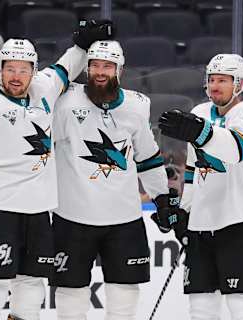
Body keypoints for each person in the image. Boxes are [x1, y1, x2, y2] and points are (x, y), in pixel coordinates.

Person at [0, 21, 114, 320]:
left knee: (32, 287)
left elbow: (65, 67)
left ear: (33, 70)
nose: (16, 76)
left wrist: (84, 44)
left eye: (23, 69)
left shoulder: (43, 90)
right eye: (9, 69)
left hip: (37, 212)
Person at [50, 40, 178, 320]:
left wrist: (162, 200)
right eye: (94, 64)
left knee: (123, 300)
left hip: (124, 219)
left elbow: (148, 157)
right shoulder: (65, 102)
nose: (100, 71)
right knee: (71, 301)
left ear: (119, 70)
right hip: (72, 217)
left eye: (107, 66)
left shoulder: (136, 106)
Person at [158, 53, 243, 320]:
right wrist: (184, 212)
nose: (215, 86)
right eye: (211, 80)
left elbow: (237, 149)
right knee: (201, 310)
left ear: (239, 84)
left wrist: (201, 132)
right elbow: (193, 170)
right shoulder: (199, 114)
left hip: (240, 223)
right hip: (201, 228)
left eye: (223, 80)